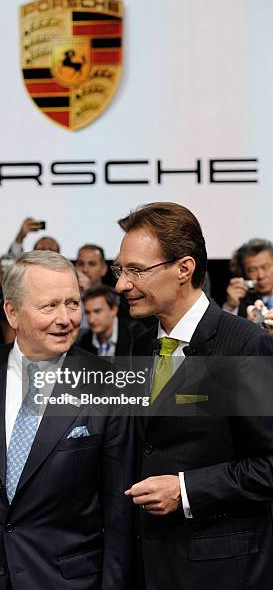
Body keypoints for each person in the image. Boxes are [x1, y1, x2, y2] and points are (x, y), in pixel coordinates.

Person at [0, 251, 134, 589]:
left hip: (66, 581)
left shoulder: (108, 383)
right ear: (12, 312)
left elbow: (119, 511)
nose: (65, 318)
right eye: (48, 306)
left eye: (72, 303)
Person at [112, 202, 273, 590]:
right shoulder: (139, 341)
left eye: (136, 270)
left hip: (221, 572)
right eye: (120, 270)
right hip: (149, 566)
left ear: (184, 269)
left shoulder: (243, 344)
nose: (121, 285)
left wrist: (186, 490)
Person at [79, 284, 145, 357]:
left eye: (97, 311)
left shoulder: (135, 334)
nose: (91, 319)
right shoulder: (84, 341)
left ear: (114, 309)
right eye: (87, 312)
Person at [224, 238, 273, 317]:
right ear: (243, 273)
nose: (261, 275)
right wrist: (230, 306)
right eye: (252, 270)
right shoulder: (241, 300)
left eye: (265, 267)